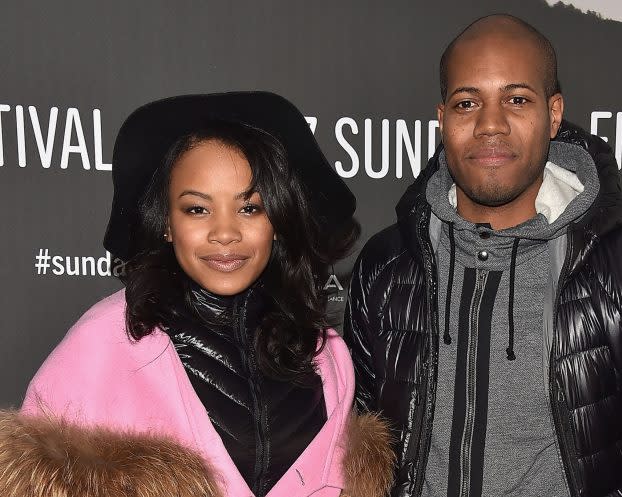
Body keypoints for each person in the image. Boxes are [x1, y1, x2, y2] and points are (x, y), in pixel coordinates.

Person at [344, 15, 622, 497]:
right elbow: (350, 457)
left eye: (516, 99)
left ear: (553, 114)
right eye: (468, 102)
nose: (490, 124)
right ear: (442, 119)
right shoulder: (384, 267)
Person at [6, 92, 394, 497]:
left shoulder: (325, 354)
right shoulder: (101, 343)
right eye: (197, 209)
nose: (224, 233)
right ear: (166, 224)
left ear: (277, 221)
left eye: (249, 208)